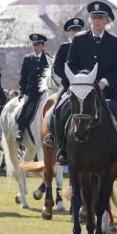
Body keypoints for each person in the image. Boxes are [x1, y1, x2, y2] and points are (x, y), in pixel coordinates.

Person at [56, 0, 117, 167]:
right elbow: (71, 63)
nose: (97, 21)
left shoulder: (115, 41)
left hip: (106, 88)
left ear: (107, 21)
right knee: (59, 110)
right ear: (90, 20)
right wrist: (81, 79)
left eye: (101, 18)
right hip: (82, 89)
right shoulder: (79, 40)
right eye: (94, 17)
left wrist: (104, 81)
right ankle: (61, 148)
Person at [43, 18, 83, 149]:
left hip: (85, 86)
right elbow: (56, 67)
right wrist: (68, 77)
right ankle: (54, 138)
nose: (76, 32)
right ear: (68, 32)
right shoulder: (64, 48)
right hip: (67, 86)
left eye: (78, 30)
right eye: (73, 30)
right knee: (57, 108)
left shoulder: (87, 47)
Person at [15, 34, 51, 143]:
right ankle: (20, 130)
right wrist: (22, 91)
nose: (35, 47)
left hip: (45, 91)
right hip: (32, 92)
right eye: (34, 45)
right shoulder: (27, 59)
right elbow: (23, 77)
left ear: (42, 46)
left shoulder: (49, 58)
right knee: (27, 109)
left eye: (38, 45)